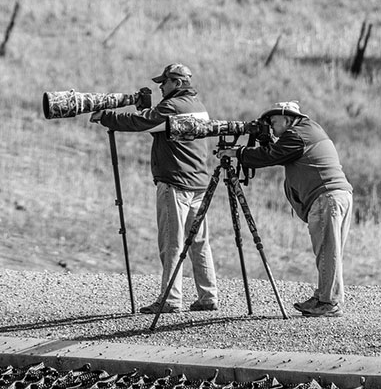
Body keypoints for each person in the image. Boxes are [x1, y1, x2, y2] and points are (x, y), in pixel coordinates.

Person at [90, 63, 218, 314]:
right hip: (198, 184)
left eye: (165, 82)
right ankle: (208, 295)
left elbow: (143, 123)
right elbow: (161, 129)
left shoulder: (172, 106)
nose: (161, 86)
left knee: (171, 242)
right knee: (199, 242)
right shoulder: (197, 106)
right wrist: (145, 109)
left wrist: (106, 116)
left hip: (175, 183)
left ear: (178, 83)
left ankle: (171, 299)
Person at [217, 101, 353, 318]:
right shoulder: (308, 130)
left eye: (274, 121)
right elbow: (280, 152)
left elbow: (271, 155)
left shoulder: (298, 134)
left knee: (327, 251)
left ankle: (328, 302)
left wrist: (239, 153)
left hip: (326, 197)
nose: (271, 126)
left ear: (288, 119)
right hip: (336, 195)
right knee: (329, 251)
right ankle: (324, 298)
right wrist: (263, 143)